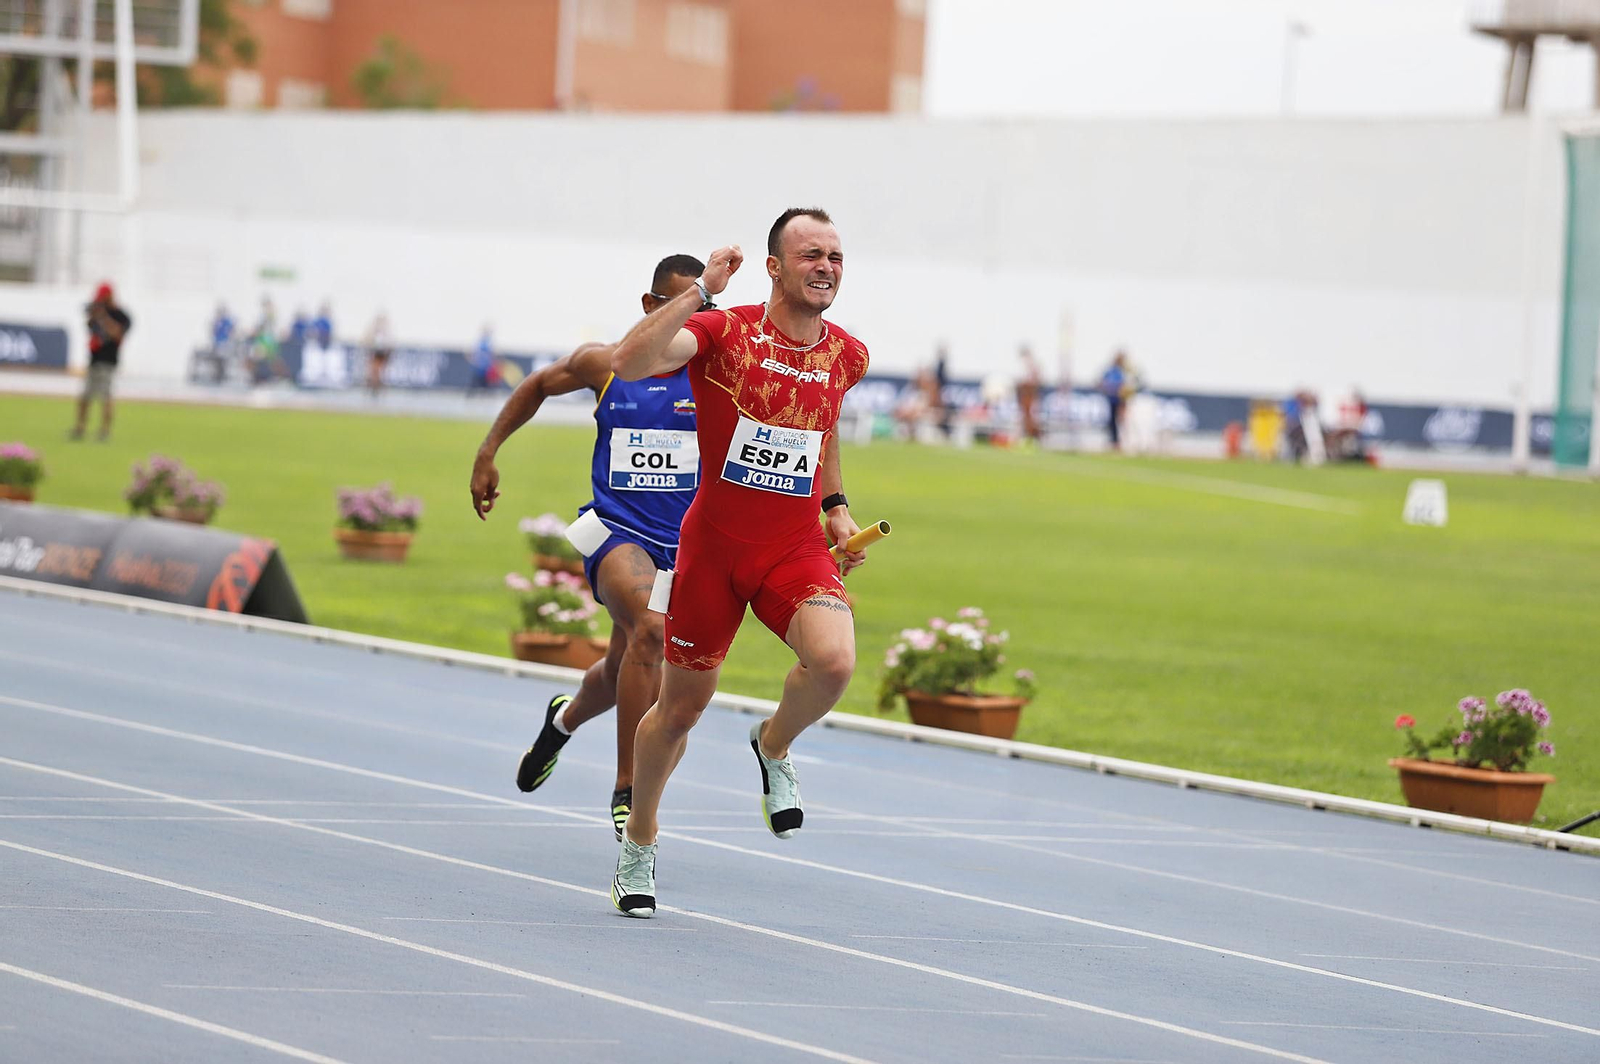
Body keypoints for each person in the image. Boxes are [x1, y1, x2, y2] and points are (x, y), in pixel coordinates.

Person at [605, 208, 872, 918]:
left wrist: (836, 503)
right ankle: (640, 836)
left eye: (837, 257)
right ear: (775, 267)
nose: (827, 267)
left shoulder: (847, 354)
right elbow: (627, 363)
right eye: (811, 254)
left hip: (792, 547)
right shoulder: (726, 331)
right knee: (682, 709)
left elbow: (823, 424)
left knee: (835, 661)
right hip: (715, 549)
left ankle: (773, 745)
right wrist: (700, 292)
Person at [470, 254, 711, 839]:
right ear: (652, 308)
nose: (693, 320)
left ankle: (564, 719)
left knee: (620, 663)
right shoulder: (605, 366)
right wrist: (488, 452)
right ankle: (627, 786)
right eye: (682, 305)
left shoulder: (716, 374)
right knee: (650, 632)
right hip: (613, 530)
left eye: (703, 308)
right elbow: (536, 385)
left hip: (683, 546)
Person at [70, 283, 132, 441]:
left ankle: (104, 431)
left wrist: (103, 317)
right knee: (85, 396)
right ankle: (80, 428)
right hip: (94, 360)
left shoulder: (121, 316)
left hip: (108, 361)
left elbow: (117, 334)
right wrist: (94, 316)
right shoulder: (96, 312)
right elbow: (90, 329)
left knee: (106, 397)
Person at [1098, 349, 1136, 451]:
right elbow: (1102, 382)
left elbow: (1130, 385)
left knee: (1122, 421)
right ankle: (1114, 441)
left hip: (1121, 401)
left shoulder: (1125, 371)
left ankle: (1124, 441)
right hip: (1111, 399)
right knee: (1112, 421)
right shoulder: (1111, 370)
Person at [1016, 346, 1042, 445]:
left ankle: (1033, 439)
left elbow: (1035, 379)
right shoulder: (1026, 364)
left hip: (1029, 394)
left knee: (1030, 418)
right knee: (1025, 417)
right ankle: (1027, 438)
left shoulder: (1032, 364)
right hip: (1025, 393)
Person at [366, 312, 392, 398]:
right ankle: (374, 389)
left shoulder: (386, 332)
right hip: (376, 351)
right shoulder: (374, 331)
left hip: (382, 352)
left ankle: (380, 390)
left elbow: (389, 344)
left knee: (381, 372)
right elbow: (369, 340)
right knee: (374, 371)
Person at [467, 325, 496, 397]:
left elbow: (491, 355)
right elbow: (474, 353)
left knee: (486, 384)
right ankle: (470, 395)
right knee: (475, 383)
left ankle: (486, 395)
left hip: (485, 367)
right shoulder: (481, 342)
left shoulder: (487, 342)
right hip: (479, 367)